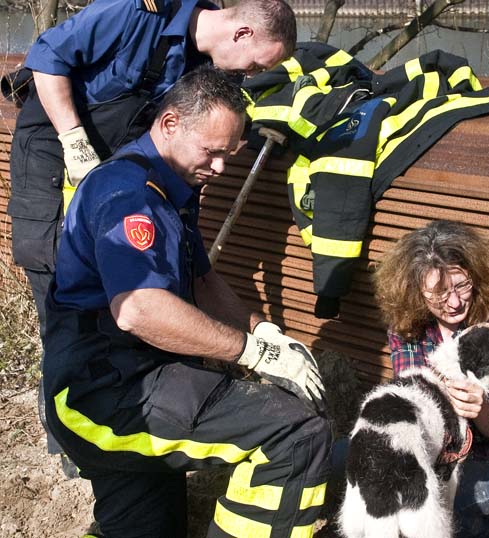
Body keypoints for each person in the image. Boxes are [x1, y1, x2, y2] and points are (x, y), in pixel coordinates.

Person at [42, 66, 330, 538]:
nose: (220, 168)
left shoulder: (170, 184)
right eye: (212, 153)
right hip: (105, 391)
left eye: (228, 155)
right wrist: (251, 353)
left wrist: (265, 333)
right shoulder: (129, 195)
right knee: (296, 432)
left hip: (116, 379)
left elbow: (201, 280)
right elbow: (139, 309)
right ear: (171, 124)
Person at [8, 0, 295, 468]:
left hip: (120, 174)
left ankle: (138, 416)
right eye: (259, 63)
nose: (254, 73)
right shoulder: (140, 11)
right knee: (59, 280)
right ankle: (76, 444)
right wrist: (74, 141)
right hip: (58, 153)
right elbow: (47, 55)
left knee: (145, 280)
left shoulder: (206, 73)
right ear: (242, 33)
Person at [372, 219, 489, 538]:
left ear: (476, 276)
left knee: (433, 513)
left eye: (461, 286)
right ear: (415, 292)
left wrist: (480, 408)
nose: (454, 303)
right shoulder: (406, 326)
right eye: (438, 292)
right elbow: (417, 407)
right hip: (438, 451)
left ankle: (488, 523)